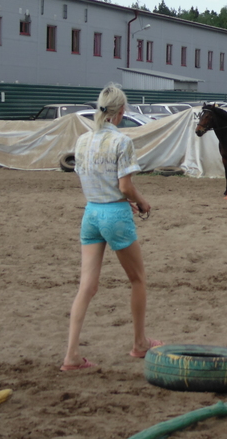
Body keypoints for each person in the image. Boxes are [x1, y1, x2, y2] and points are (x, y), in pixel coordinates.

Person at [60, 83, 162, 371]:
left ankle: (71, 355)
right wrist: (140, 201)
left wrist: (120, 199)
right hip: (115, 215)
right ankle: (139, 343)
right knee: (138, 278)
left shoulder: (82, 140)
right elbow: (125, 186)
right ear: (121, 112)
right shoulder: (121, 141)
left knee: (86, 286)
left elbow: (92, 179)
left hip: (91, 213)